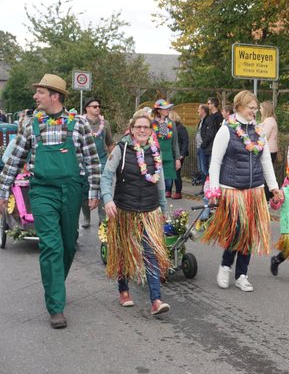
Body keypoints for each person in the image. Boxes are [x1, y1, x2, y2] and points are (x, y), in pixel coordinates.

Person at [0, 74, 101, 329]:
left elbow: (92, 160)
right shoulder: (31, 124)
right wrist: (3, 191)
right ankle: (56, 306)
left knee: (68, 245)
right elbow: (14, 160)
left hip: (71, 189)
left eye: (40, 92)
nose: (35, 96)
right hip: (42, 191)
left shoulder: (78, 124)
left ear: (55, 96)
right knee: (51, 246)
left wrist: (94, 192)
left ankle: (56, 283)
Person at [202, 90, 283, 292]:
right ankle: (225, 266)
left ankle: (242, 275)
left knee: (249, 234)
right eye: (250, 108)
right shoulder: (226, 130)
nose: (254, 112)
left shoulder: (259, 131)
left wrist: (274, 187)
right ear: (239, 107)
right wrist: (214, 190)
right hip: (232, 190)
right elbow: (215, 161)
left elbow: (266, 161)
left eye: (256, 108)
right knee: (236, 231)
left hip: (255, 190)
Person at [101, 110, 171, 315]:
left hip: (149, 211)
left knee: (151, 254)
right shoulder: (121, 149)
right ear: (131, 129)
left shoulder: (155, 151)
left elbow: (160, 184)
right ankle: (123, 291)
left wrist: (163, 209)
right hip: (125, 209)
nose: (142, 130)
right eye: (138, 127)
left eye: (146, 127)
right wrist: (107, 199)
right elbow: (106, 176)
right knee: (123, 252)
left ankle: (156, 300)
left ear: (150, 130)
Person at [80, 97, 114, 228]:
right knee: (84, 189)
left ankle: (102, 218)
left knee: (103, 187)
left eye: (99, 106)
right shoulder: (80, 123)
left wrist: (114, 159)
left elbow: (110, 143)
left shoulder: (105, 124)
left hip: (102, 160)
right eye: (94, 106)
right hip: (85, 161)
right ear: (87, 108)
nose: (98, 108)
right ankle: (86, 217)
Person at [152, 99, 181, 198]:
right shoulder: (152, 124)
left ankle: (161, 197)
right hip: (155, 157)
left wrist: (177, 158)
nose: (168, 110)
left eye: (168, 108)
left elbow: (175, 142)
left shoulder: (171, 123)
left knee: (168, 183)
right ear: (159, 110)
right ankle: (157, 200)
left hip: (168, 156)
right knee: (156, 181)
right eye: (165, 108)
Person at [166, 111, 188, 199]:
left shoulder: (181, 128)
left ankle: (178, 192)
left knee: (176, 173)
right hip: (170, 153)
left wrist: (182, 154)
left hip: (178, 154)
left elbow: (185, 141)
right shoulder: (168, 127)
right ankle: (168, 190)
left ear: (174, 118)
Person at [260, 101, 279, 165]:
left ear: (265, 109)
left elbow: (264, 136)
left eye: (261, 108)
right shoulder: (269, 120)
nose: (260, 110)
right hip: (269, 149)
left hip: (269, 149)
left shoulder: (269, 120)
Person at [195, 104, 210, 181]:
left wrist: (203, 145)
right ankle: (204, 185)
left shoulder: (207, 120)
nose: (198, 110)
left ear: (203, 110)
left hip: (203, 147)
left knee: (204, 169)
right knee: (200, 169)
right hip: (199, 147)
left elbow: (209, 134)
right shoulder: (201, 120)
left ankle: (207, 186)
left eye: (199, 109)